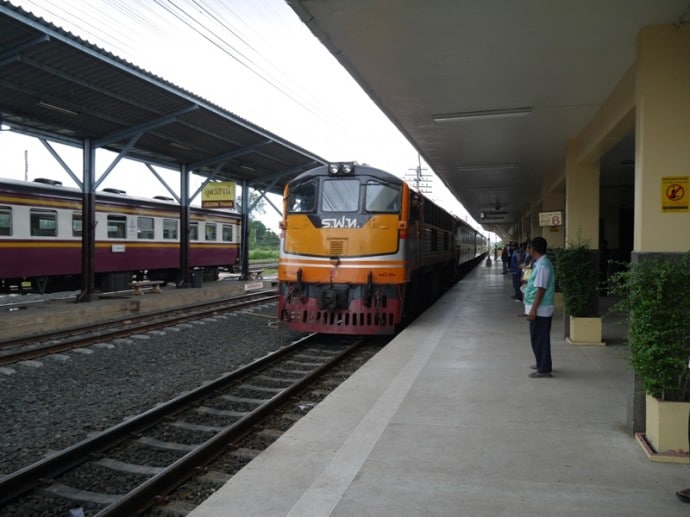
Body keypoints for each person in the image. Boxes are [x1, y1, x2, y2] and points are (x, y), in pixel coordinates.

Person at [523, 236, 556, 378]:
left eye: (528, 247)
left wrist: (533, 309)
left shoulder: (542, 266)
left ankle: (543, 370)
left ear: (533, 249)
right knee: (539, 339)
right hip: (540, 309)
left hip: (540, 310)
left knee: (540, 339)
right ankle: (542, 363)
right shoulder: (541, 263)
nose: (527, 249)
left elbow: (541, 290)